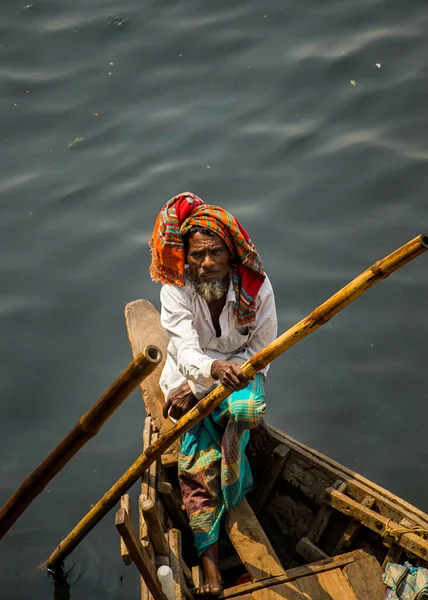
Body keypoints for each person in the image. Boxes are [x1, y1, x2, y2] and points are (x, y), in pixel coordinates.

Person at [149, 192, 277, 596]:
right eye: (197, 255)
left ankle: (235, 428)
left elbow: (263, 349)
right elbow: (184, 348)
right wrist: (208, 375)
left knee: (246, 408)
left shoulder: (256, 286)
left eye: (215, 253)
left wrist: (232, 376)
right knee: (196, 458)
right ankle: (211, 566)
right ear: (184, 256)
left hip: (240, 373)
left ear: (230, 253)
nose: (206, 264)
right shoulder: (176, 287)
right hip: (189, 376)